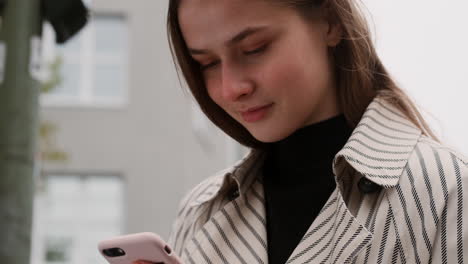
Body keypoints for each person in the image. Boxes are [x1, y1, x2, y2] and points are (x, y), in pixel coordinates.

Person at [136, 0, 468, 263]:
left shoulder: (446, 189)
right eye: (207, 63)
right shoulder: (200, 210)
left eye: (254, 48)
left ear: (330, 22)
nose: (230, 87)